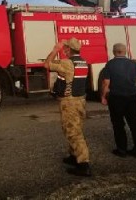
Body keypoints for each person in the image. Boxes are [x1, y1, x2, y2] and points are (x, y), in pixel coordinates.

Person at [44, 37, 91, 177]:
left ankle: (83, 164)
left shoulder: (68, 63)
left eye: (65, 47)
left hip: (69, 102)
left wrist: (55, 50)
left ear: (69, 49)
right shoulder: (83, 62)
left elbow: (47, 65)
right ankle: (73, 156)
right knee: (74, 128)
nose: (63, 49)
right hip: (80, 100)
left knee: (73, 132)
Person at [101, 43, 136, 159]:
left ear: (113, 52)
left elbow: (106, 83)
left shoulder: (110, 65)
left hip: (116, 98)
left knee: (118, 124)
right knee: (135, 123)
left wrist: (103, 96)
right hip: (131, 97)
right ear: (125, 51)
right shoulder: (133, 64)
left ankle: (121, 149)